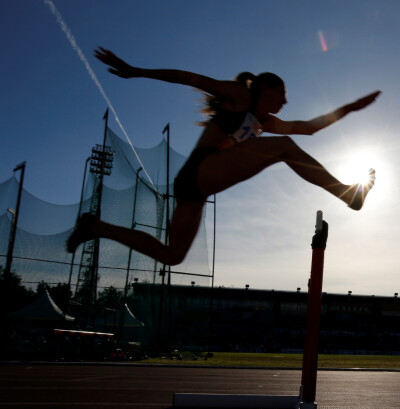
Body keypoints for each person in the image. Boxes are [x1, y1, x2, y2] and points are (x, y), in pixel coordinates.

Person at [67, 47, 380, 266]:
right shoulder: (241, 96)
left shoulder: (265, 122)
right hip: (201, 170)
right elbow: (190, 78)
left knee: (172, 256)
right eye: (281, 93)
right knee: (284, 147)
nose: (285, 100)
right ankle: (347, 194)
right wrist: (136, 71)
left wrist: (350, 108)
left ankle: (95, 227)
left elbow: (309, 128)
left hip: (193, 188)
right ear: (265, 89)